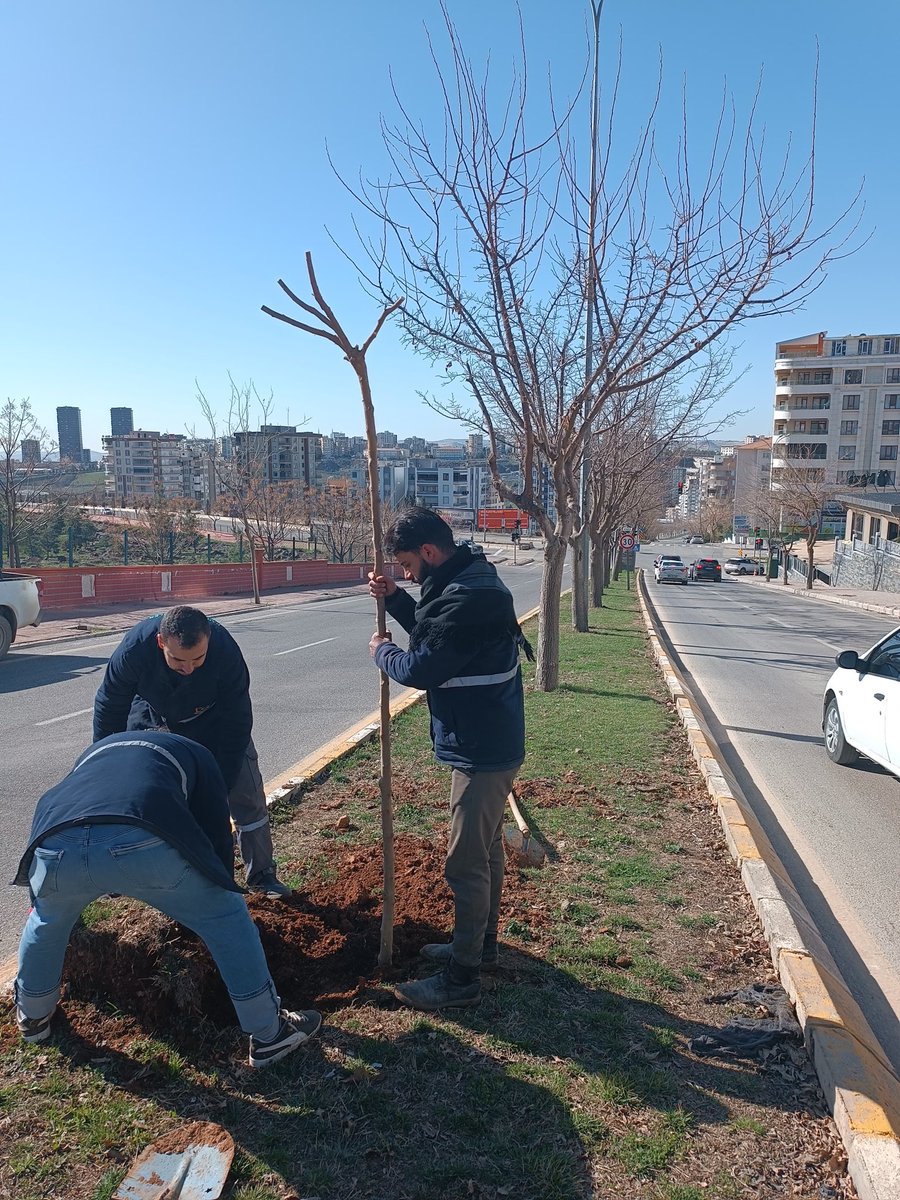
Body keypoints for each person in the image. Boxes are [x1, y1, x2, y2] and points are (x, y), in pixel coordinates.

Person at [12, 731, 322, 1068]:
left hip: (54, 846)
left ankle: (33, 1018)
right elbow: (214, 833)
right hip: (137, 838)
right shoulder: (198, 753)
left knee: (46, 920)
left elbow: (62, 814)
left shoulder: (95, 752)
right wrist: (220, 889)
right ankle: (269, 1034)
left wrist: (42, 900)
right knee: (226, 916)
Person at [368, 507, 531, 1011]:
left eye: (408, 568)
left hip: (483, 750)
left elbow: (424, 665)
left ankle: (462, 979)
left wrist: (381, 651)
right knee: (486, 855)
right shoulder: (468, 579)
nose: (408, 576)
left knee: (465, 863)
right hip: (488, 739)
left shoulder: (469, 597)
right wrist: (396, 601)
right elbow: (436, 631)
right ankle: (477, 946)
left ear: (430, 552)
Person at [93, 605, 289, 898]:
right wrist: (106, 762)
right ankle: (127, 870)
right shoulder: (134, 649)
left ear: (208, 640)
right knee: (135, 793)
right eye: (177, 660)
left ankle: (262, 875)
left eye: (198, 659)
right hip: (158, 718)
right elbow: (110, 706)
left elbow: (238, 721)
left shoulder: (225, 651)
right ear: (161, 643)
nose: (188, 668)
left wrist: (219, 783)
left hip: (217, 722)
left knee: (245, 794)